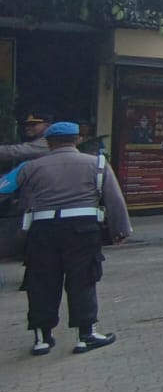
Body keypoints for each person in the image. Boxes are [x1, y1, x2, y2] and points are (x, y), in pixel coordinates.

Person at [19, 121, 131, 356]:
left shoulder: (32, 167)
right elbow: (113, 198)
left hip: (43, 230)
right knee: (83, 280)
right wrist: (120, 230)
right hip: (82, 229)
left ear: (49, 143)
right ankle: (85, 335)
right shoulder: (96, 164)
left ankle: (41, 338)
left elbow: (27, 202)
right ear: (78, 139)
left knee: (41, 282)